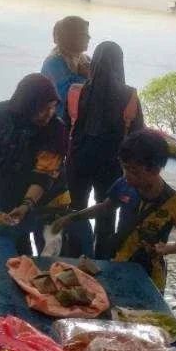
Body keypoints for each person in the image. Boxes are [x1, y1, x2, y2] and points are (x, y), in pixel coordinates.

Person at [52, 130, 176, 290]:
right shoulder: (124, 185)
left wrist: (168, 249)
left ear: (155, 170)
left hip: (151, 276)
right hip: (119, 265)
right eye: (124, 168)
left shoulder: (175, 203)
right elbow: (105, 207)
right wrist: (71, 218)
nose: (126, 175)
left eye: (134, 171)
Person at [0, 74, 84, 257]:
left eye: (52, 107)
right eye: (42, 109)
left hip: (49, 204)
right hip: (6, 200)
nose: (49, 114)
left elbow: (44, 175)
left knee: (50, 257)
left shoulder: (56, 129)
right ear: (25, 105)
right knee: (15, 255)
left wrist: (25, 205)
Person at [65, 41, 144, 259]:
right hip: (112, 166)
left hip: (77, 163)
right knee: (107, 216)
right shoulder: (129, 96)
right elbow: (138, 137)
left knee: (76, 212)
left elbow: (65, 128)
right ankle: (101, 262)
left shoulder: (75, 92)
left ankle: (71, 259)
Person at [41, 16, 90, 121]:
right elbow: (66, 96)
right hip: (59, 120)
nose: (89, 38)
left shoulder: (84, 59)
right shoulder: (54, 63)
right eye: (84, 35)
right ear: (70, 37)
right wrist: (85, 76)